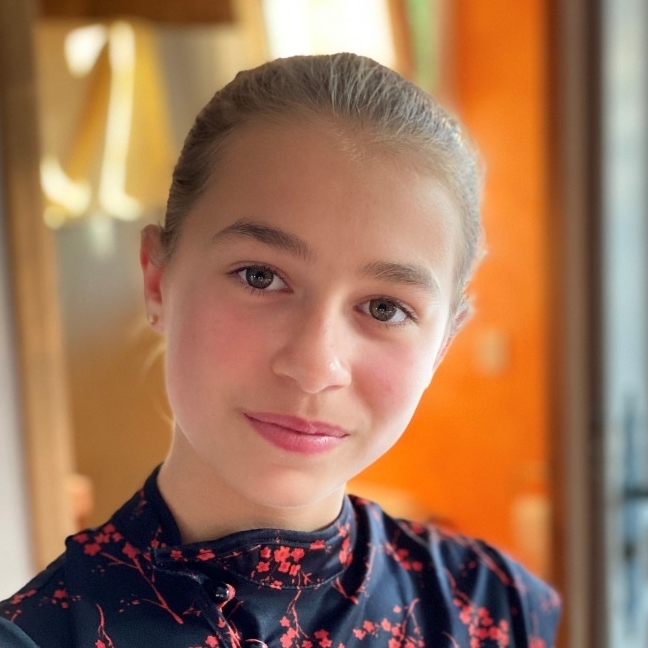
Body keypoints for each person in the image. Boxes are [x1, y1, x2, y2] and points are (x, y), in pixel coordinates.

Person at [0, 53, 560, 647]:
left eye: (384, 308)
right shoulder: (38, 635)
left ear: (443, 343)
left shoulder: (498, 609)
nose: (315, 366)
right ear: (157, 280)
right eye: (260, 277)